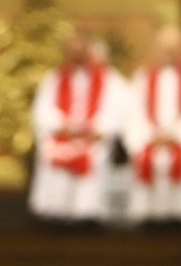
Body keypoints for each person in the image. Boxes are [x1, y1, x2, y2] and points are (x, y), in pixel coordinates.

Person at [28, 29, 128, 223]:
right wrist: (61, 124)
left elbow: (118, 108)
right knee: (53, 154)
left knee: (94, 156)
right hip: (62, 136)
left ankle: (87, 214)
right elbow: (42, 109)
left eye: (80, 50)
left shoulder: (109, 78)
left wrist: (99, 128)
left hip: (93, 138)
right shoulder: (55, 78)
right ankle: (54, 213)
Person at [123, 26, 181, 225]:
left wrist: (177, 135)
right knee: (153, 160)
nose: (169, 53)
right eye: (164, 48)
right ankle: (148, 217)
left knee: (178, 164)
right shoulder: (142, 77)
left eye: (173, 47)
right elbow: (133, 114)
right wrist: (151, 135)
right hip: (150, 139)